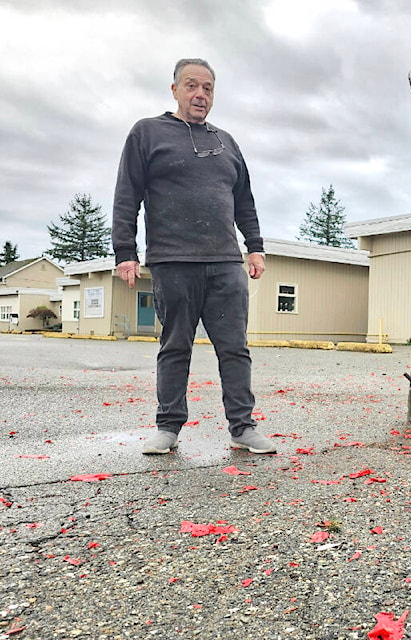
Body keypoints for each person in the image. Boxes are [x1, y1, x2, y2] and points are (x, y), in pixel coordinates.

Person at [112, 58, 276, 455]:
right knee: (175, 347)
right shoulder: (147, 133)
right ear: (174, 90)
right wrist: (125, 252)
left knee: (235, 348)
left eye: (207, 88)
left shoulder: (227, 141)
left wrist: (254, 246)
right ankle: (167, 427)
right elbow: (126, 194)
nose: (200, 94)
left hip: (224, 262)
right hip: (173, 261)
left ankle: (243, 427)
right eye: (191, 86)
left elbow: (244, 200)